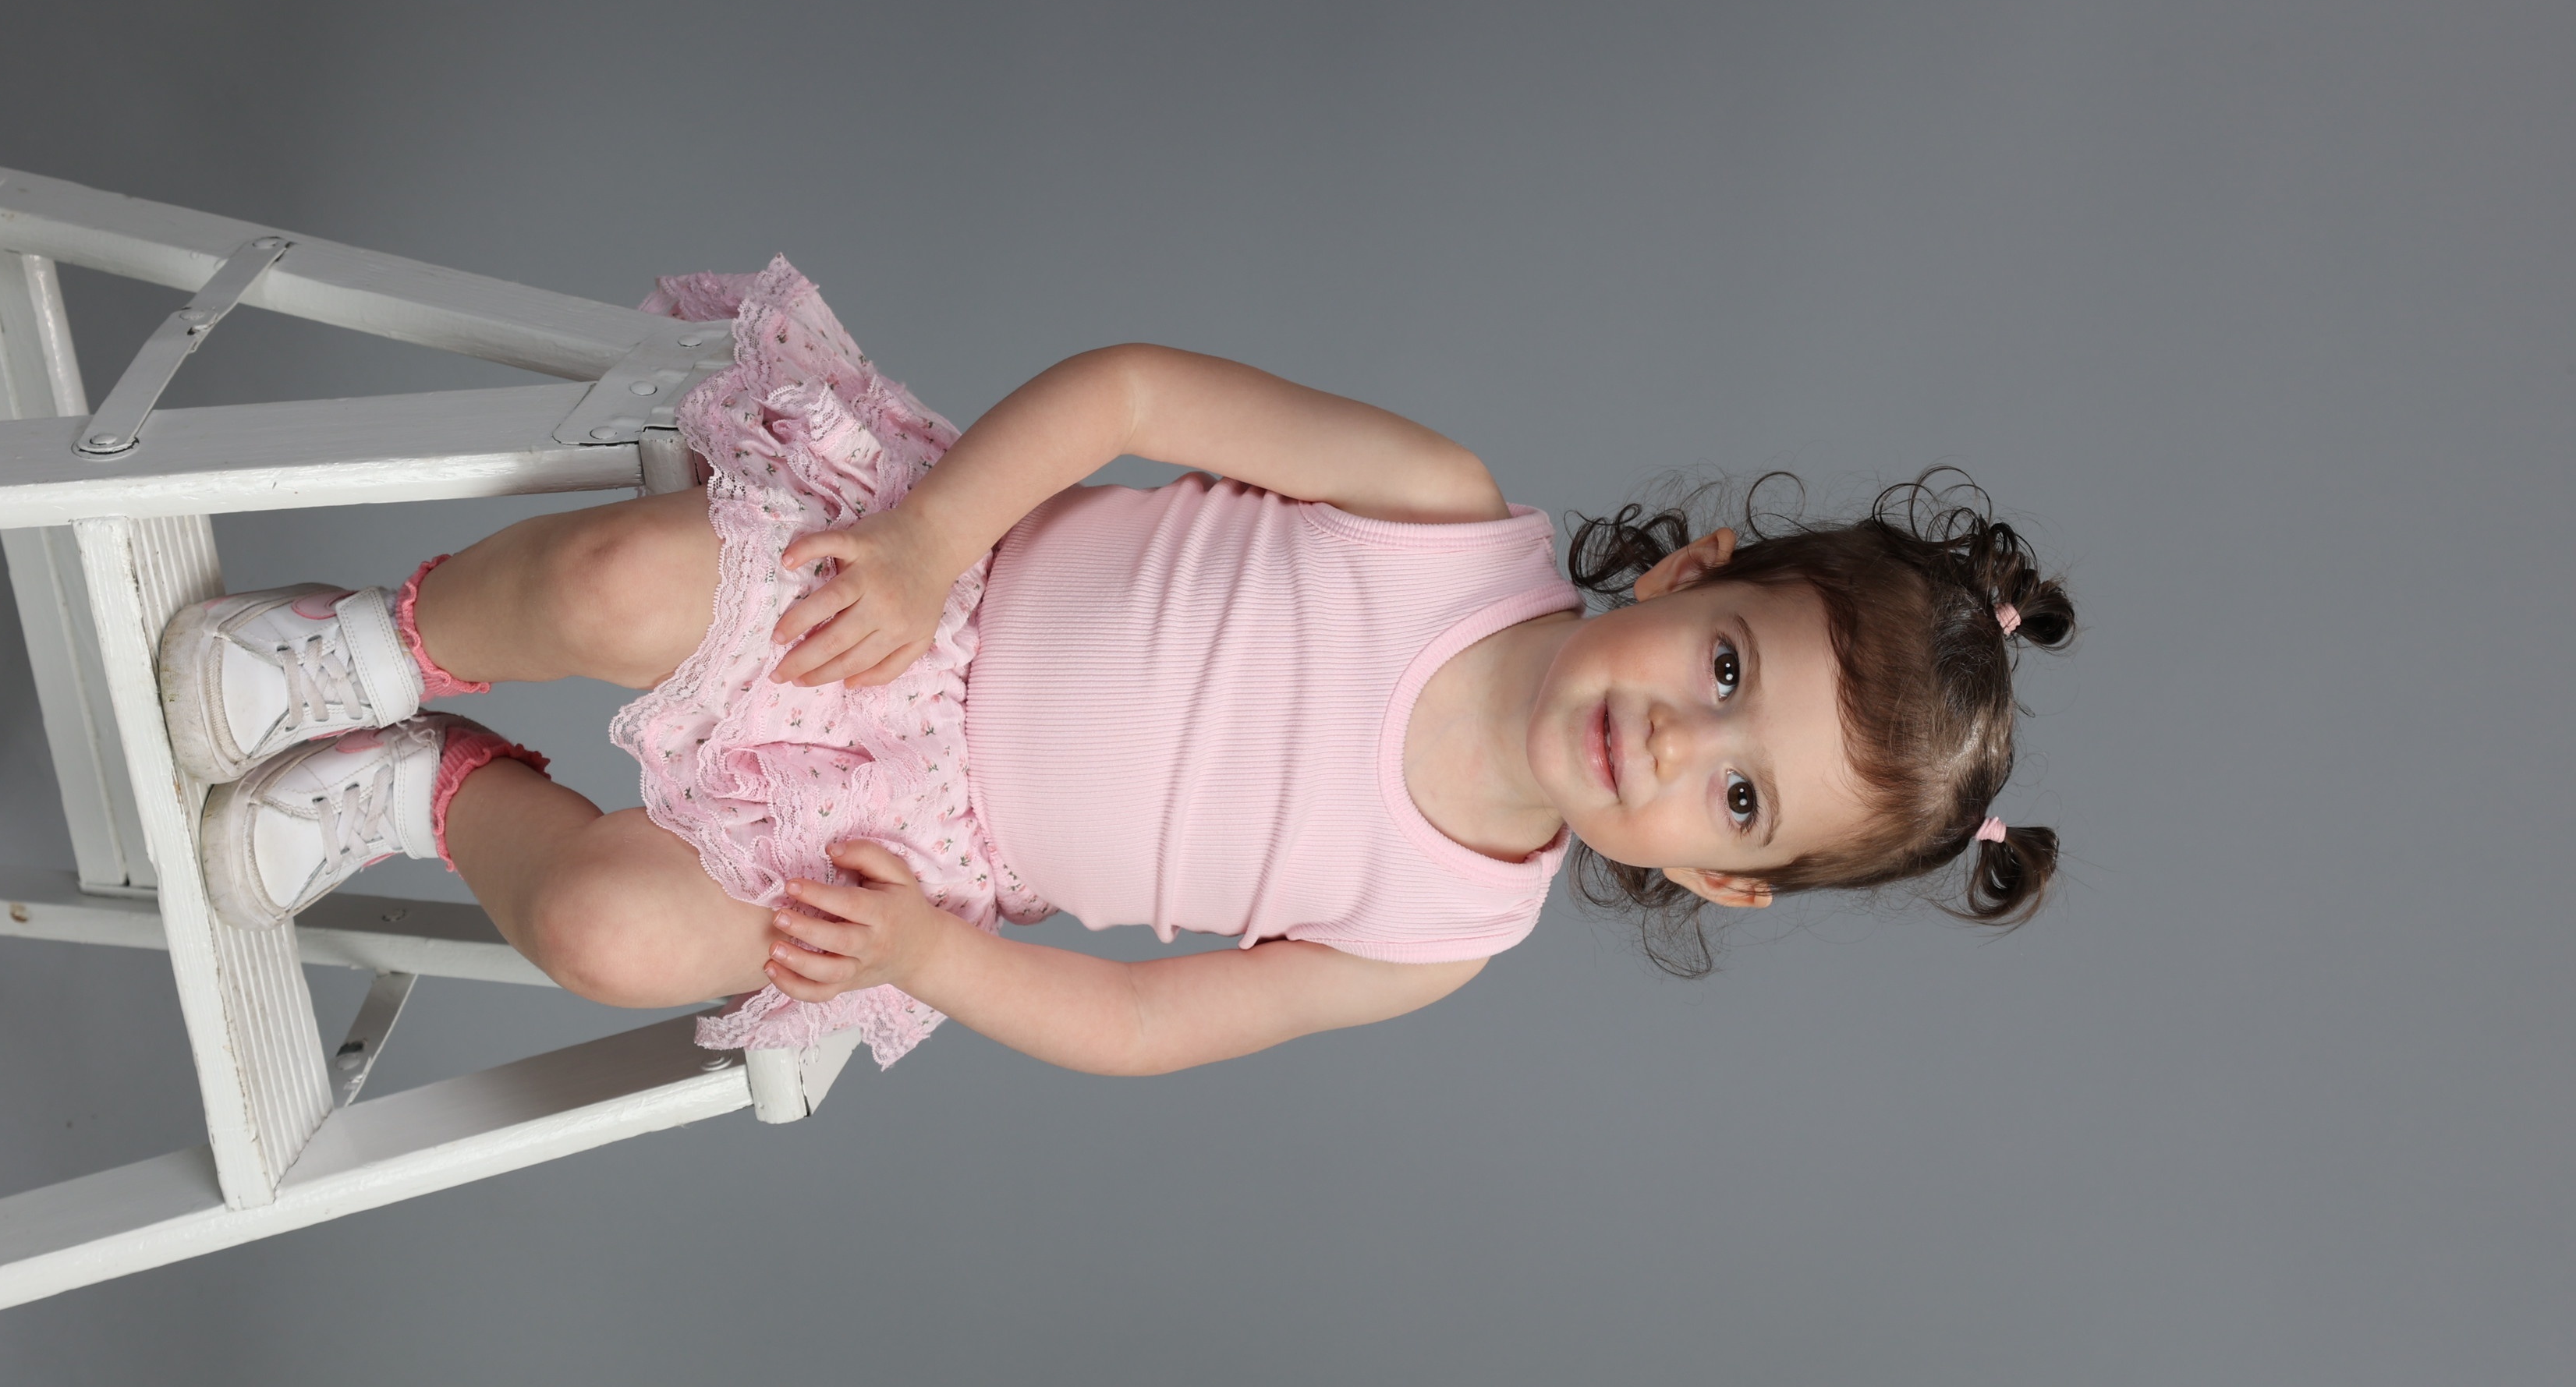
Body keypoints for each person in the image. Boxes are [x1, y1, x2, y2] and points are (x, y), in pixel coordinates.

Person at [158, 259, 2073, 1075]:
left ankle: (426, 787)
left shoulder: (1446, 929)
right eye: (1726, 663)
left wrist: (926, 956)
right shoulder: (1440, 513)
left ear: (1724, 876)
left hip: (923, 851)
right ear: (1695, 570)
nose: (1670, 736)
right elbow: (1142, 392)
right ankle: (373, 640)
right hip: (935, 589)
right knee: (615, 579)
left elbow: (1152, 1028)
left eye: (1737, 791)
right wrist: (928, 538)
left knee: (613, 934)